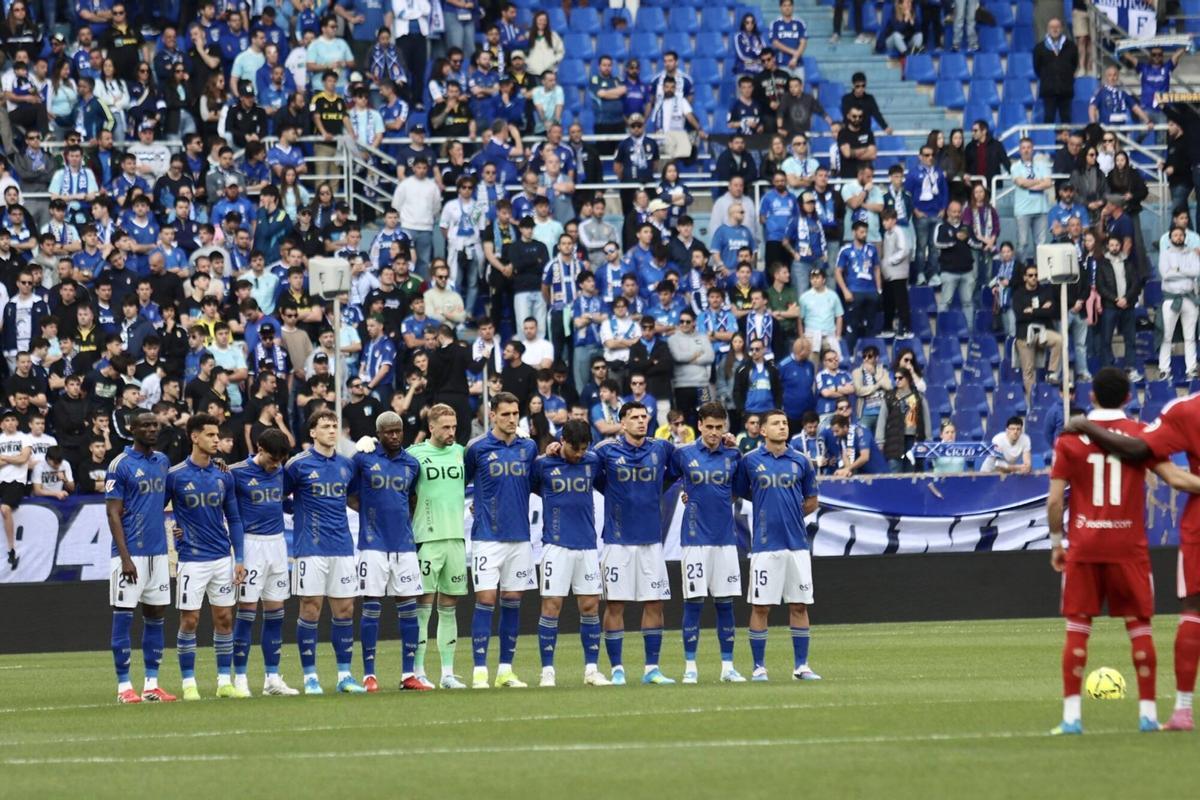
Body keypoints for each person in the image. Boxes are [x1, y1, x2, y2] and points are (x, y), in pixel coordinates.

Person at [1048, 367, 1200, 734]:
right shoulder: (1140, 433)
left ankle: (1071, 718)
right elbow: (1176, 478)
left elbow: (1055, 502)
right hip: (1129, 545)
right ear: (1129, 398)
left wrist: (1056, 541)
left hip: (1085, 543)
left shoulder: (1069, 439)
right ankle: (1147, 715)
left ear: (1092, 396)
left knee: (1078, 625)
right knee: (1139, 626)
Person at [591, 402, 677, 685]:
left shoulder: (661, 448)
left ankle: (651, 668)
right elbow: (585, 472)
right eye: (635, 417)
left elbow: (681, 469)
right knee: (615, 604)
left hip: (652, 541)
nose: (642, 421)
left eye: (644, 416)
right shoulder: (605, 451)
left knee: (655, 603)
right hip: (617, 541)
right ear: (622, 422)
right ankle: (617, 669)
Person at [734, 408, 820, 681]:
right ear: (763, 430)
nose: (782, 427)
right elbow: (737, 491)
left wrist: (792, 517)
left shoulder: (801, 461)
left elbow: (812, 500)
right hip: (764, 545)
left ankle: (801, 666)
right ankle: (759, 667)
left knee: (799, 605)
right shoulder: (749, 461)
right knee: (761, 606)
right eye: (776, 423)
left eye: (784, 423)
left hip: (797, 545)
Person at [285, 410, 367, 694]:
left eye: (335, 426)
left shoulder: (347, 465)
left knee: (345, 609)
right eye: (325, 426)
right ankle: (310, 676)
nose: (332, 431)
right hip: (310, 548)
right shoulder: (298, 465)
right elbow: (280, 496)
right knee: (310, 608)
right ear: (312, 432)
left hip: (343, 547)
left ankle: (344, 675)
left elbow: (355, 495)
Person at [347, 412, 430, 693]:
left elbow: (413, 497)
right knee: (371, 608)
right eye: (389, 432)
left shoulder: (411, 464)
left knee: (409, 608)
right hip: (373, 545)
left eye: (398, 431)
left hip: (405, 546)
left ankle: (408, 674)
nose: (394, 436)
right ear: (378, 433)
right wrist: (371, 516)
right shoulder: (364, 458)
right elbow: (349, 492)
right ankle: (369, 675)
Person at [167, 413, 246, 701]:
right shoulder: (175, 476)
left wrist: (239, 558)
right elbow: (157, 508)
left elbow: (234, 519)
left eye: (217, 435)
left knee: (225, 619)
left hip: (222, 558)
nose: (217, 440)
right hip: (191, 559)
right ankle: (189, 683)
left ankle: (224, 681)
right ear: (194, 437)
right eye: (211, 435)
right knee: (189, 621)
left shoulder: (224, 475)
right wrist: (174, 528)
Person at [463, 393, 538, 689]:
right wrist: (475, 505)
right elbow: (462, 483)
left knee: (513, 600)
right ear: (492, 415)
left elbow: (536, 481)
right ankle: (479, 670)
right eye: (505, 414)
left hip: (520, 537)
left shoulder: (529, 447)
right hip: (487, 538)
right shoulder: (477, 448)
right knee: (485, 599)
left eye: (515, 413)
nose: (511, 419)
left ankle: (505, 669)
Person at [528, 418, 611, 687]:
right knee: (552, 607)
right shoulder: (543, 465)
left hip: (587, 545)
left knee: (590, 607)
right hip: (555, 546)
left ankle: (591, 670)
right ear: (562, 441)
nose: (579, 454)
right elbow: (521, 490)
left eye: (583, 449)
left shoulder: (593, 461)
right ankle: (548, 672)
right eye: (575, 449)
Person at [671, 402, 747, 683]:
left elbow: (737, 492)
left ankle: (727, 667)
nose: (715, 433)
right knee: (694, 602)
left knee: (725, 603)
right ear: (699, 425)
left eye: (719, 427)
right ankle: (690, 666)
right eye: (710, 427)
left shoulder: (734, 456)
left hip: (725, 540)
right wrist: (684, 492)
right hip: (693, 540)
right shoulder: (683, 455)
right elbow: (667, 480)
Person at [104, 413, 175, 703]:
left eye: (154, 425)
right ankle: (124, 687)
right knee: (124, 616)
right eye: (144, 426)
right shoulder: (120, 465)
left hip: (158, 554)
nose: (151, 430)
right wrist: (125, 558)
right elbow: (112, 512)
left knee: (156, 616)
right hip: (130, 554)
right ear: (132, 430)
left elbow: (172, 491)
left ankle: (151, 685)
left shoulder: (163, 461)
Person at [228, 428, 299, 697]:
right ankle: (241, 679)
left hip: (278, 544)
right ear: (259, 448)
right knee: (246, 612)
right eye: (272, 459)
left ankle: (272, 678)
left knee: (276, 613)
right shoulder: (236, 473)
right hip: (250, 544)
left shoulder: (282, 471)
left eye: (280, 460)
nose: (275, 465)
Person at [407, 404, 469, 689]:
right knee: (423, 607)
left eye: (454, 426)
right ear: (431, 427)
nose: (451, 432)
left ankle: (447, 673)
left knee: (449, 606)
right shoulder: (415, 454)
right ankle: (417, 670)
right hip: (428, 539)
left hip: (456, 539)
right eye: (445, 427)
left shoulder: (461, 452)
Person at [1012, 263, 1064, 392]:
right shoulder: (1018, 294)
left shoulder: (1045, 291)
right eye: (1030, 275)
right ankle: (1032, 403)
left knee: (1059, 340)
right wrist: (1041, 310)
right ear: (1025, 278)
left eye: (1036, 275)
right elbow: (1020, 316)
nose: (1034, 278)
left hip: (1043, 331)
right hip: (1024, 334)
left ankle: (1052, 372)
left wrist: (1033, 311)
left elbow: (1051, 312)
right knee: (1028, 371)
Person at [1159, 226, 1200, 379]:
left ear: (1184, 237)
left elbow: (1197, 271)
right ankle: (1164, 369)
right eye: (1175, 235)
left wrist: (1177, 270)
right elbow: (1165, 274)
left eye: (1181, 235)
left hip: (1189, 298)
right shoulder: (1165, 253)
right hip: (1171, 299)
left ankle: (1191, 369)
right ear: (1170, 238)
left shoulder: (1192, 253)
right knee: (1166, 336)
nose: (1178, 238)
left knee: (1190, 337)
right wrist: (1185, 273)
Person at [1032, 18, 1078, 125]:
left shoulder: (1071, 46)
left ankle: (1067, 141)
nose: (1055, 29)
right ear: (1048, 29)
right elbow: (1037, 67)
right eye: (1052, 27)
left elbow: (1074, 64)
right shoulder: (1039, 48)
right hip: (1048, 90)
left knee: (1066, 119)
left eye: (1057, 27)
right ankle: (1048, 141)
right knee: (1048, 118)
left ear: (1061, 28)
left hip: (1066, 90)